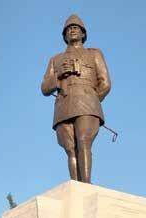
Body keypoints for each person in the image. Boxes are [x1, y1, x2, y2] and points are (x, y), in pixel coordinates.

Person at [41, 15, 111, 183]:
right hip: (64, 105)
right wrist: (58, 76)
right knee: (70, 149)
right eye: (68, 29)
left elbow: (105, 83)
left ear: (83, 33)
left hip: (87, 103)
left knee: (83, 141)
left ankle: (86, 184)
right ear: (64, 36)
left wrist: (92, 99)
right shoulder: (55, 60)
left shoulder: (94, 53)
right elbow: (44, 88)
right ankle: (76, 184)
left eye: (76, 27)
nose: (72, 30)